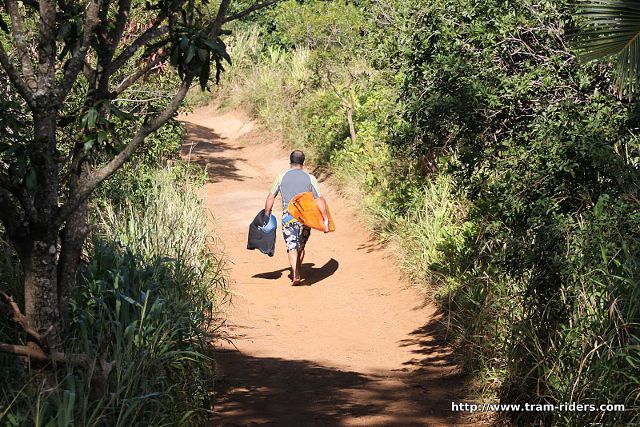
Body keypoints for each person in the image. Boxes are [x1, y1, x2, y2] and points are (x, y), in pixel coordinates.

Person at [264, 150, 329, 286]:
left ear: (290, 161)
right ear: (303, 163)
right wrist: (325, 219)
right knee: (301, 246)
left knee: (291, 246)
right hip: (305, 217)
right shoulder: (310, 178)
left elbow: (271, 196)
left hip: (289, 216)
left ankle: (295, 272)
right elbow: (319, 199)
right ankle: (298, 269)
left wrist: (267, 213)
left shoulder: (281, 177)